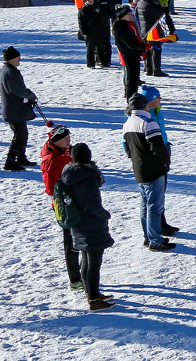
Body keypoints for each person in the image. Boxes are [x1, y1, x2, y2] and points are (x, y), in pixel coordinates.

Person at [56, 142, 116, 310]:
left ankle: (91, 293)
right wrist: (106, 215)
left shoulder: (68, 173)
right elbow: (94, 205)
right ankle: (94, 300)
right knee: (94, 263)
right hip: (92, 224)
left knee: (85, 259)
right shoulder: (88, 177)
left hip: (77, 223)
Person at [122, 91, 175, 250]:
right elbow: (157, 148)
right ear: (145, 105)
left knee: (145, 205)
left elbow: (128, 148)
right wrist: (164, 164)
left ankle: (148, 236)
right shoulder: (148, 122)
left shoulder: (128, 123)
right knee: (155, 207)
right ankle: (155, 240)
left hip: (139, 170)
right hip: (153, 170)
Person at [41, 125, 82, 289]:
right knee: (71, 242)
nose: (68, 140)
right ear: (55, 141)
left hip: (78, 199)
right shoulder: (51, 160)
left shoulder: (66, 150)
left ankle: (83, 273)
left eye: (68, 136)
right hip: (65, 205)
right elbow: (51, 188)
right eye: (64, 138)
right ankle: (75, 279)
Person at [3, 46, 48, 171]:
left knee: (23, 134)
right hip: (14, 110)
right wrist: (31, 95)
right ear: (12, 59)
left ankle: (20, 158)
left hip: (14, 109)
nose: (20, 59)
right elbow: (18, 90)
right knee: (20, 136)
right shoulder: (10, 72)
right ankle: (10, 161)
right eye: (18, 57)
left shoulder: (8, 70)